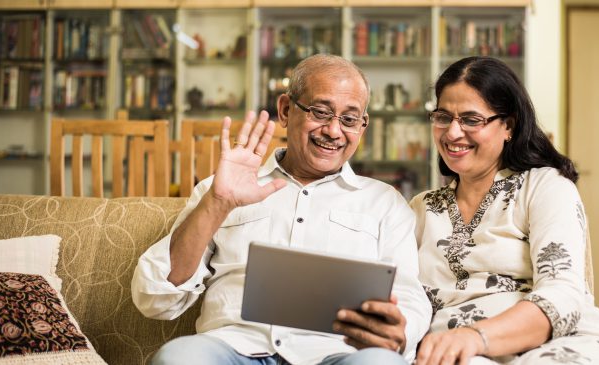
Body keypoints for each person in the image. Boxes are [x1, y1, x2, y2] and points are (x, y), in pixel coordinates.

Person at [132, 54, 431, 365]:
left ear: (363, 125)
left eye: (349, 119)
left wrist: (399, 330)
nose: (333, 130)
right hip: (235, 349)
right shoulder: (223, 188)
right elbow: (153, 299)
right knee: (177, 359)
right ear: (286, 110)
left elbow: (409, 298)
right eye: (320, 112)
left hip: (337, 355)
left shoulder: (385, 202)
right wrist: (217, 203)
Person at [410, 56, 599, 365]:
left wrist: (476, 337)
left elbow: (563, 295)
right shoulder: (420, 209)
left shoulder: (545, 188)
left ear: (508, 126)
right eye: (443, 117)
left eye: (471, 120)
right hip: (454, 355)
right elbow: (404, 299)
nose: (452, 133)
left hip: (554, 347)